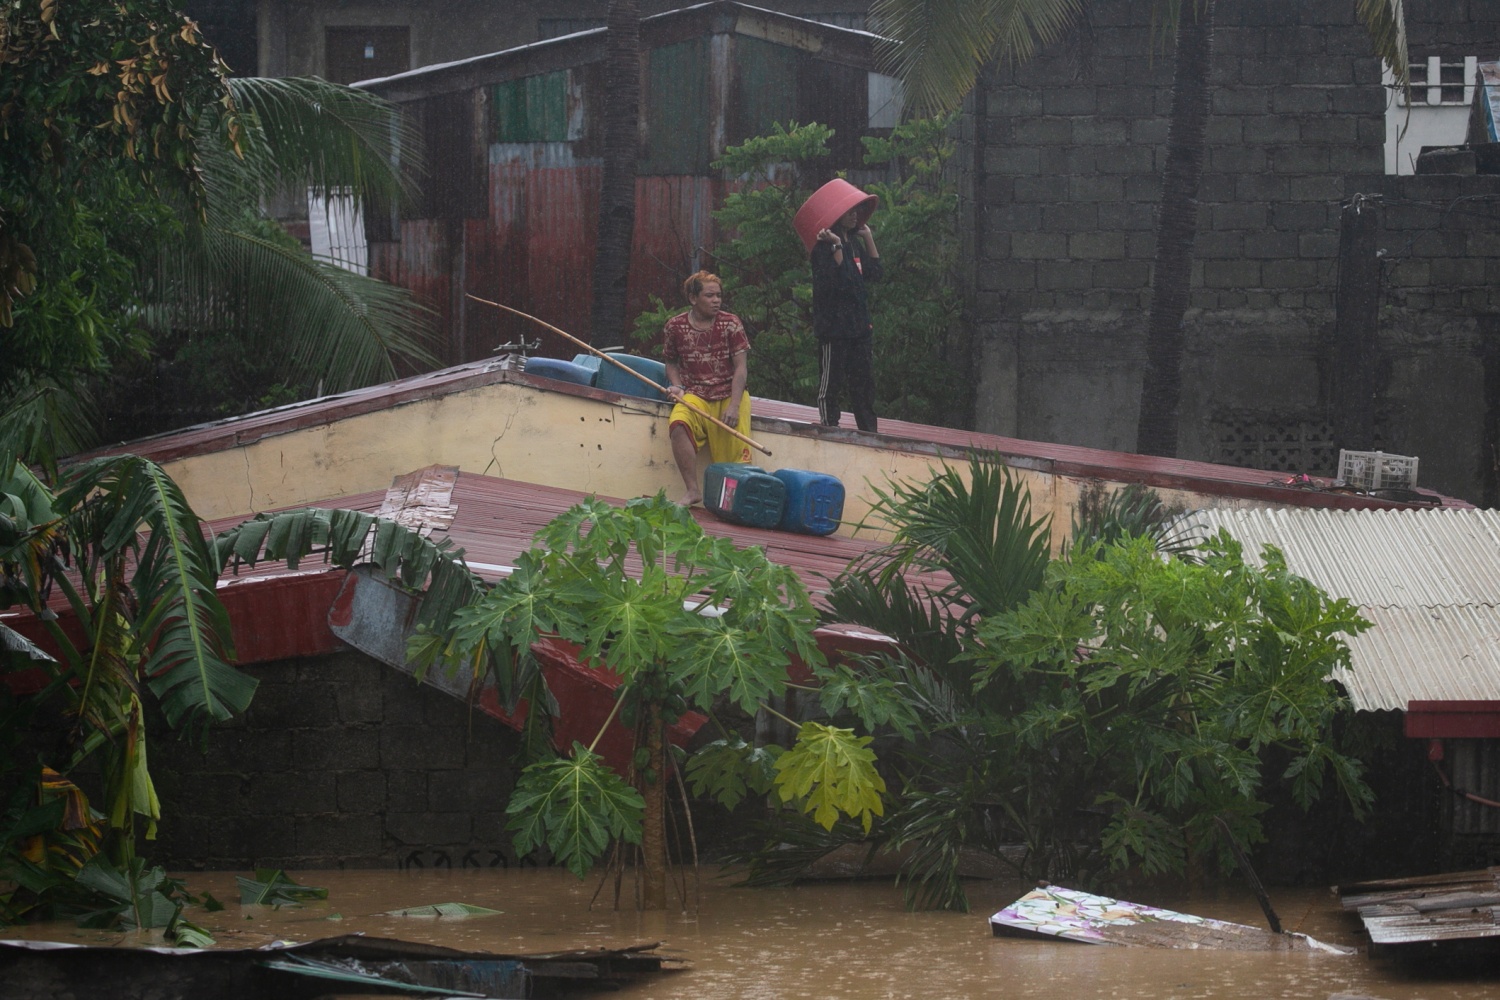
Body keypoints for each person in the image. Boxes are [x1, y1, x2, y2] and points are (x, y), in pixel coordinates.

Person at [661, 271, 751, 506]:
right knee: (678, 423)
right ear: (693, 298)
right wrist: (677, 386)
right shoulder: (675, 326)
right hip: (695, 394)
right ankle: (692, 490)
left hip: (728, 395)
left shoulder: (730, 323)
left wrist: (734, 405)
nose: (716, 300)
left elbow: (741, 368)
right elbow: (670, 362)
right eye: (709, 295)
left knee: (734, 462)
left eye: (719, 295)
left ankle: (731, 507)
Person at [811, 205, 882, 432]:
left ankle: (869, 429)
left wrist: (868, 237)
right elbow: (842, 281)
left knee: (863, 383)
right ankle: (828, 424)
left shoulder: (854, 244)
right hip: (835, 328)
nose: (854, 216)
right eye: (849, 212)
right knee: (831, 382)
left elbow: (874, 274)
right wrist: (836, 246)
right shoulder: (822, 249)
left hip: (858, 326)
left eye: (856, 212)